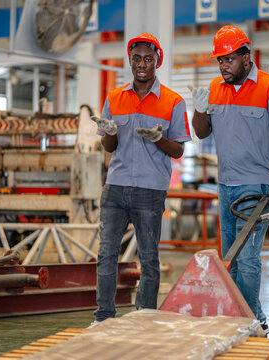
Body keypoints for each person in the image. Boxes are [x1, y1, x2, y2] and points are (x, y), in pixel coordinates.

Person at [190, 25, 269, 334]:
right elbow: (201, 131)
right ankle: (243, 318)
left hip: (258, 187)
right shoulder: (215, 88)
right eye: (220, 61)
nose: (224, 66)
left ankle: (253, 320)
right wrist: (198, 110)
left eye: (229, 60)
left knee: (248, 258)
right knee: (233, 258)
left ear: (246, 57)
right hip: (225, 185)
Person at [90, 33, 191, 325]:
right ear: (130, 61)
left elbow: (179, 150)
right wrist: (110, 132)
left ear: (157, 61)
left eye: (148, 58)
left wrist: (159, 139)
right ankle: (104, 317)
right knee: (107, 254)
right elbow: (109, 147)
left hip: (150, 190)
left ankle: (144, 319)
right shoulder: (115, 99)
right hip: (116, 187)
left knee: (149, 259)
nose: (142, 64)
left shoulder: (173, 102)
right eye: (136, 58)